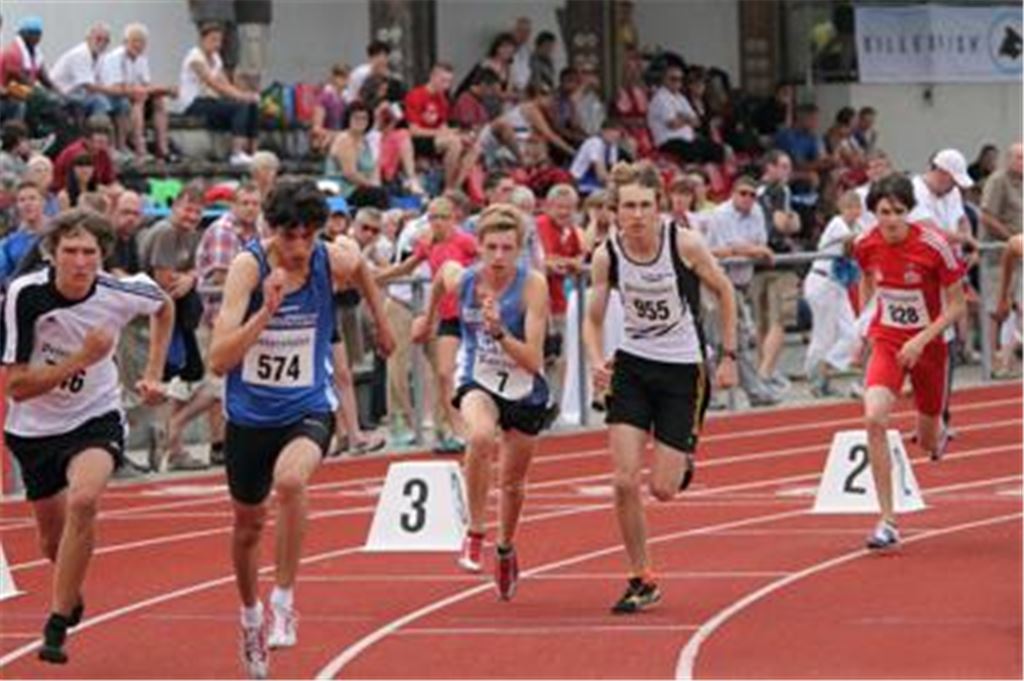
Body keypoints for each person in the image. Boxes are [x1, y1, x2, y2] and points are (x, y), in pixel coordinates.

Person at [208, 179, 394, 678]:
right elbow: (219, 360)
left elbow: (362, 272)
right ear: (272, 232)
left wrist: (381, 323)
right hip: (249, 417)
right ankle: (250, 614)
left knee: (291, 482)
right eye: (291, 238)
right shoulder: (249, 267)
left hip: (308, 406)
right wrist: (265, 314)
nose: (300, 249)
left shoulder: (328, 257)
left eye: (309, 237)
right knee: (247, 527)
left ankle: (285, 598)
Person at [2, 209, 173, 664]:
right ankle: (69, 592)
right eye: (70, 251)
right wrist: (81, 358)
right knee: (49, 543)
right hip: (33, 428)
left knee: (83, 500)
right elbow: (16, 385)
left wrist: (154, 373)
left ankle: (56, 623)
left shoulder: (119, 291)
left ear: (103, 255)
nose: (80, 262)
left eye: (89, 253)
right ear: (52, 254)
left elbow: (165, 306)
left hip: (94, 418)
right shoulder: (25, 296)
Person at [583, 161, 738, 613]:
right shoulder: (606, 255)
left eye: (644, 207)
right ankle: (642, 577)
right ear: (615, 211)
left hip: (682, 372)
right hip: (632, 369)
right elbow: (592, 321)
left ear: (659, 208)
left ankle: (682, 453)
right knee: (623, 480)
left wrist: (728, 356)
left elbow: (724, 291)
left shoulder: (684, 245)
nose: (636, 216)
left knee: (664, 489)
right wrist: (597, 362)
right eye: (628, 207)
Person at [412, 204, 551, 599]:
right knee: (479, 437)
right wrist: (428, 318)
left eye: (508, 248)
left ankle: (505, 547)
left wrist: (500, 332)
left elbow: (534, 359)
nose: (499, 257)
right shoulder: (468, 279)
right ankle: (475, 531)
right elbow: (441, 277)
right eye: (491, 247)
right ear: (480, 248)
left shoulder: (532, 286)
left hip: (524, 386)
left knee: (512, 483)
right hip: (480, 378)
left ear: (519, 248)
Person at [853, 173, 966, 550]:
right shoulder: (865, 245)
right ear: (874, 213)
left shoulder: (934, 247)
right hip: (888, 341)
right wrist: (865, 325)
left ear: (909, 211)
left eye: (899, 212)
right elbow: (868, 281)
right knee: (873, 419)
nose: (892, 220)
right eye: (884, 212)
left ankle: (938, 434)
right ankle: (887, 520)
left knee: (928, 441)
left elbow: (957, 306)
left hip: (930, 345)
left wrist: (921, 339)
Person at [379, 197, 478, 453]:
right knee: (444, 373)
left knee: (466, 373)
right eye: (433, 217)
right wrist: (370, 278)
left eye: (442, 217)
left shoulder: (464, 241)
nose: (437, 223)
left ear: (453, 218)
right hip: (445, 316)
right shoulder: (429, 244)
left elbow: (488, 261)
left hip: (470, 315)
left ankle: (471, 426)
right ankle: (453, 431)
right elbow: (405, 267)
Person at [803, 190, 863, 396]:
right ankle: (816, 381)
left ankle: (827, 366)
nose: (855, 211)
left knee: (852, 332)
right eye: (850, 207)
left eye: (857, 207)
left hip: (838, 284)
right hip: (822, 281)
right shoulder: (837, 224)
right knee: (823, 335)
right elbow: (852, 242)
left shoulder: (856, 226)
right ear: (842, 208)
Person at [178, 21, 261, 167]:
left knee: (251, 105)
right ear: (202, 39)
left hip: (209, 101)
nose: (217, 44)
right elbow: (214, 84)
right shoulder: (195, 58)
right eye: (213, 40)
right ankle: (237, 153)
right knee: (239, 107)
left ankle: (253, 152)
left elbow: (225, 83)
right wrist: (241, 97)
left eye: (219, 40)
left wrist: (246, 96)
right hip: (194, 103)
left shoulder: (216, 58)